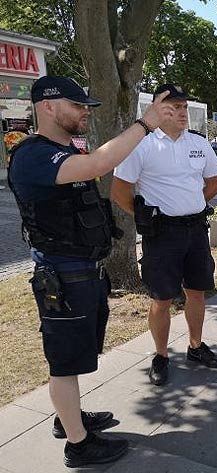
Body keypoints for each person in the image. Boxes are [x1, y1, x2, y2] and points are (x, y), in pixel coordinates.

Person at [7, 75, 174, 468]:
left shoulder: (66, 149)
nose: (85, 111)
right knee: (64, 362)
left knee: (77, 355)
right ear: (47, 106)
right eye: (77, 104)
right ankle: (78, 446)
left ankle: (70, 421)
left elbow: (92, 166)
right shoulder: (32, 155)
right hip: (62, 278)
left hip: (84, 272)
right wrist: (146, 123)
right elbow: (100, 163)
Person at [111, 84, 217, 387]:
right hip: (162, 234)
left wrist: (190, 203)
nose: (181, 113)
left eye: (184, 107)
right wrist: (146, 218)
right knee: (161, 298)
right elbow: (120, 191)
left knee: (197, 291)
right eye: (173, 107)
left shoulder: (198, 143)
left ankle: (196, 346)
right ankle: (161, 355)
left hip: (196, 230)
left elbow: (214, 183)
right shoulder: (141, 145)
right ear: (157, 110)